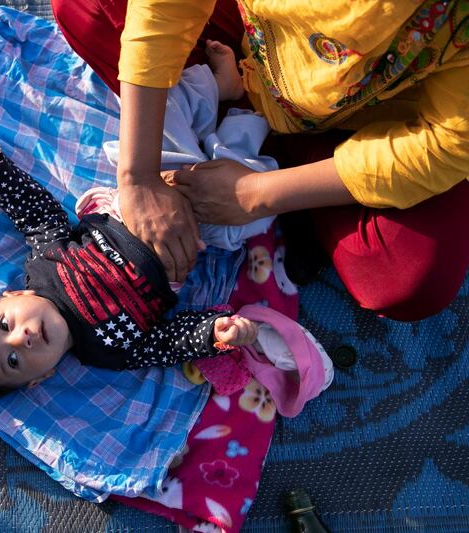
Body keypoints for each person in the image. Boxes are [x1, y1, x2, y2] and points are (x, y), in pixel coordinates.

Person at [51, 0, 469, 321]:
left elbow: (447, 141)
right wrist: (138, 175)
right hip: (251, 48)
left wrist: (260, 193)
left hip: (370, 125)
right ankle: (265, 147)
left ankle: (285, 171)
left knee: (406, 279)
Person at [0, 142, 259, 397]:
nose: (20, 339)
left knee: (169, 140)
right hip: (190, 238)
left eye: (3, 324)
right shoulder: (108, 353)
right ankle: (248, 139)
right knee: (250, 211)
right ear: (40, 377)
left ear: (13, 294)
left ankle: (220, 94)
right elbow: (169, 343)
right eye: (13, 361)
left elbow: (38, 217)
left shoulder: (44, 267)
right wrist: (217, 333)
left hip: (135, 206)